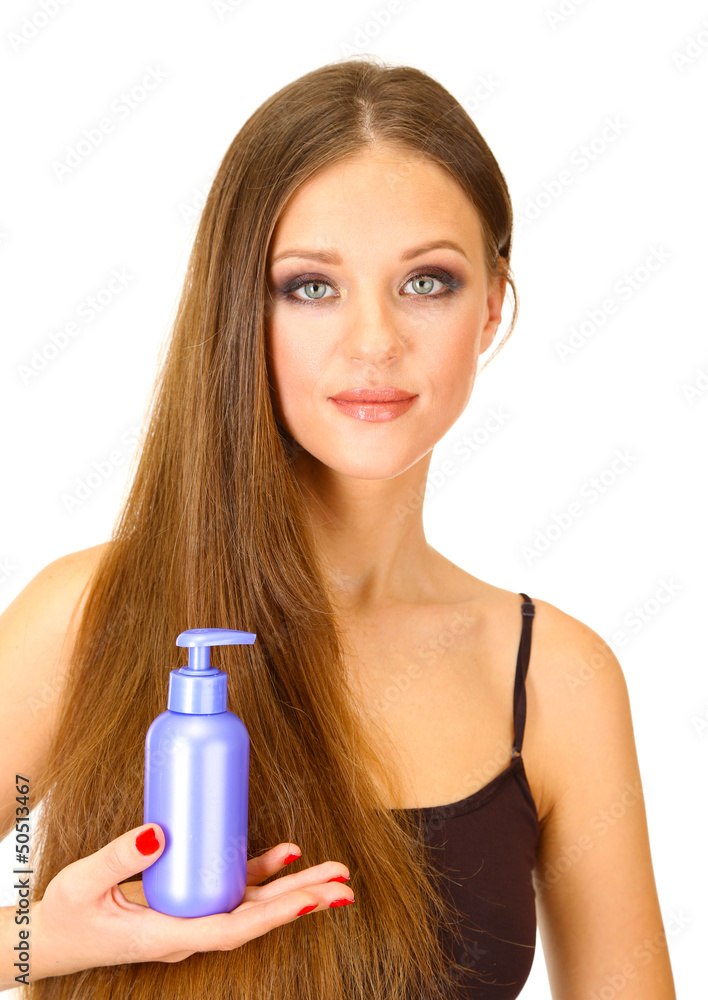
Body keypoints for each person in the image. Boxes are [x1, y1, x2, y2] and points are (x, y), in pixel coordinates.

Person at [0, 56, 676, 1000]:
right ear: (241, 306)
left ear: (491, 307)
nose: (373, 342)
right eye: (311, 286)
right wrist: (38, 942)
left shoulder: (556, 679)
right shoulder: (83, 617)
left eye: (427, 282)